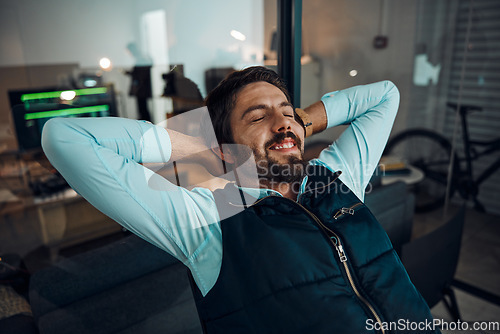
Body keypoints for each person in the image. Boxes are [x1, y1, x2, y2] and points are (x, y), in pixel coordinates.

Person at [42, 66, 439, 333]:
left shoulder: (337, 176)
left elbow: (384, 96)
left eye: (286, 112)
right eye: (257, 116)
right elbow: (66, 138)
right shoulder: (205, 221)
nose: (282, 122)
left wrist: (300, 120)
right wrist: (200, 144)